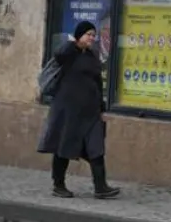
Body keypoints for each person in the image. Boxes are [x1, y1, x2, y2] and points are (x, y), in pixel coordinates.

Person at [37, 21, 120, 199]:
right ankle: (58, 185)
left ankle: (101, 187)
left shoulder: (92, 56)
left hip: (90, 113)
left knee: (96, 148)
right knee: (63, 147)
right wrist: (73, 44)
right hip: (67, 111)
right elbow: (58, 55)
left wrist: (101, 106)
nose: (92, 38)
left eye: (93, 35)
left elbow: (97, 82)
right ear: (79, 35)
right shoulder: (68, 53)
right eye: (88, 34)